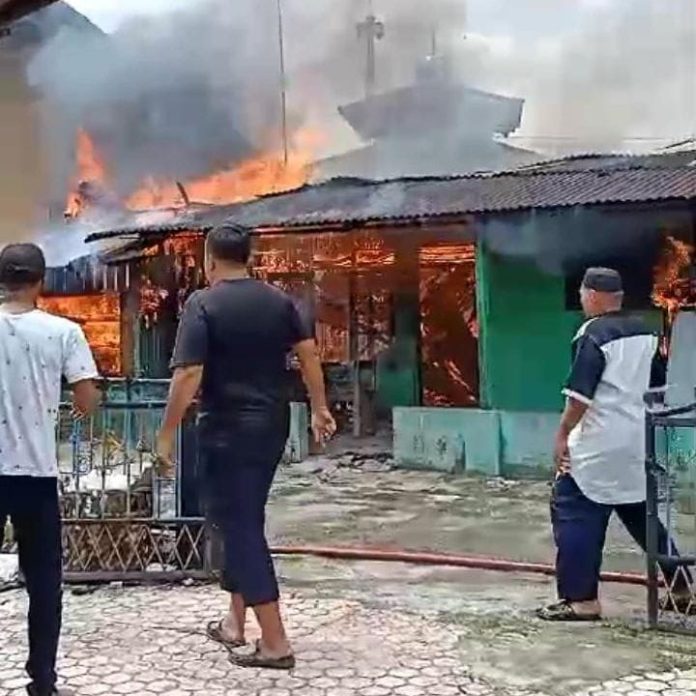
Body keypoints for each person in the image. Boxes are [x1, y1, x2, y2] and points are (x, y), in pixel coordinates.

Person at [156, 223, 336, 669]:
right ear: (250, 257)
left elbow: (189, 374)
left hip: (226, 429)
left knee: (236, 527)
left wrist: (165, 433)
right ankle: (235, 624)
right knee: (244, 518)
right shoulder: (278, 300)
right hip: (272, 426)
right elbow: (309, 353)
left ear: (209, 259)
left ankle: (275, 643)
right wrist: (318, 407)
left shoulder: (203, 303)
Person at [538, 267, 691, 622]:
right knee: (642, 515)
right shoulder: (648, 332)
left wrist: (561, 435)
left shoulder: (592, 333)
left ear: (593, 295)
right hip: (638, 442)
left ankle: (581, 600)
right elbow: (656, 390)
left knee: (573, 511)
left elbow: (579, 396)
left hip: (597, 446)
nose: (581, 301)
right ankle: (682, 588)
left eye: (582, 295)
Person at [0, 243, 100, 696]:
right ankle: (42, 681)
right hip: (36, 475)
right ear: (41, 281)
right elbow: (87, 397)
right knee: (44, 586)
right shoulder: (63, 332)